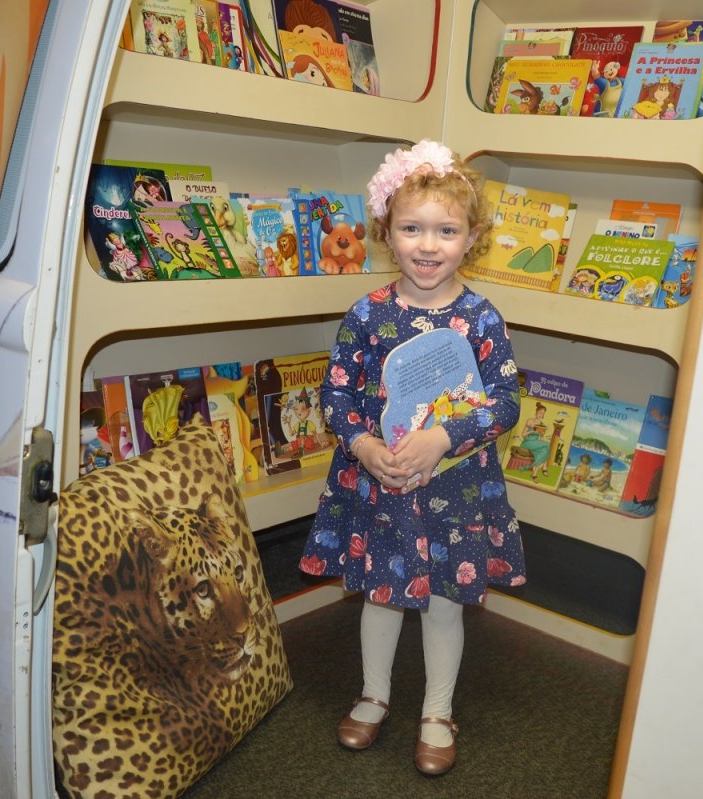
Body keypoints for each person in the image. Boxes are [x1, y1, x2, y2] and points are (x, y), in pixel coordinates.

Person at [299, 140, 526, 776]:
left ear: (471, 237)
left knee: (446, 602)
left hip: (454, 490)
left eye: (446, 231)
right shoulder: (366, 315)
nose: (428, 246)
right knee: (382, 594)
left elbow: (505, 400)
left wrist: (446, 437)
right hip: (383, 483)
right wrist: (365, 445)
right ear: (386, 232)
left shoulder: (480, 317)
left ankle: (437, 709)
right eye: (412, 229)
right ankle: (374, 694)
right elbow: (336, 395)